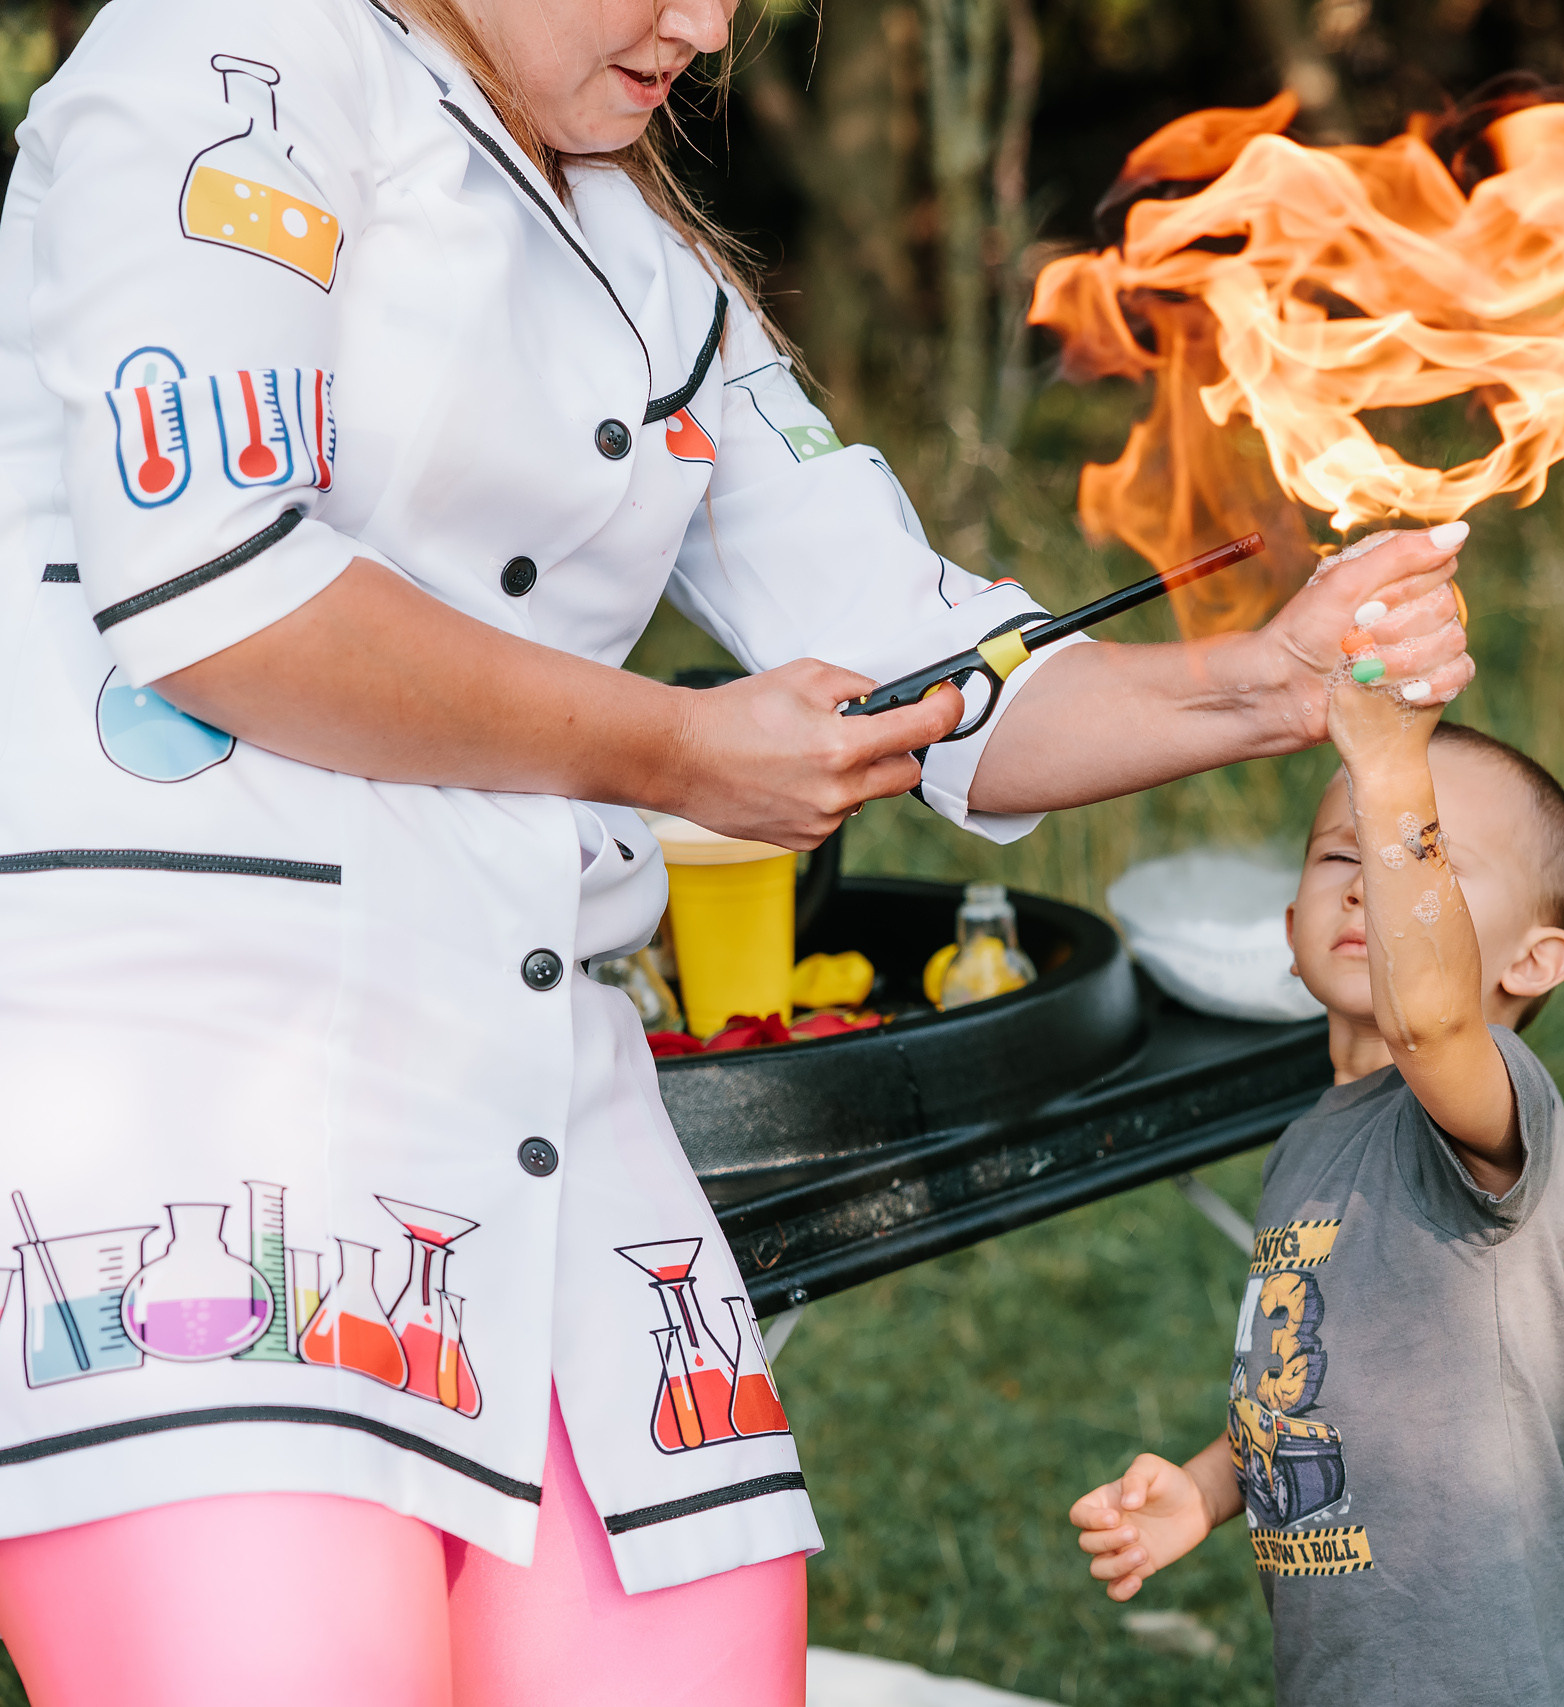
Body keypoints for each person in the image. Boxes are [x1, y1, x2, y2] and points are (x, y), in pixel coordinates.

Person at [0, 0, 1477, 1701]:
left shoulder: (646, 263)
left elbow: (921, 655)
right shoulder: (222, 54)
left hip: (547, 1121)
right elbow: (221, 588)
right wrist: (683, 749)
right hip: (199, 1108)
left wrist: (1252, 681)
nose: (706, 28)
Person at [1067, 678, 1564, 1706]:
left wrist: (1389, 769)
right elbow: (1307, 1386)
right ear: (1291, 925)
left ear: (1535, 964)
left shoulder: (1492, 1114)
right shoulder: (1307, 1148)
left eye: (1425, 849)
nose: (1370, 877)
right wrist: (1202, 1488)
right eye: (1339, 851)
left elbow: (1432, 1022)